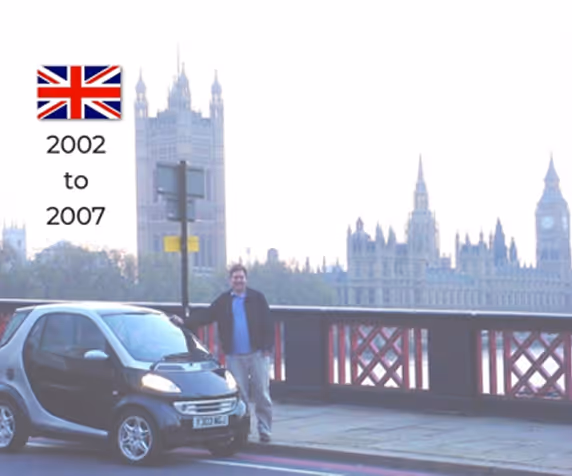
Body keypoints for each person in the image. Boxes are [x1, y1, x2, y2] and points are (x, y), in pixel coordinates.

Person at [171, 263, 274, 443]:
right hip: (234, 356)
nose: (239, 280)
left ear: (246, 279)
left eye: (241, 277)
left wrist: (267, 348)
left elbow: (268, 324)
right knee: (240, 397)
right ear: (230, 281)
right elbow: (207, 316)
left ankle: (265, 430)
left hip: (257, 354)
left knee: (261, 394)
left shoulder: (257, 298)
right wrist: (184, 322)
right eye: (235, 278)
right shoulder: (224, 301)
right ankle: (243, 431)